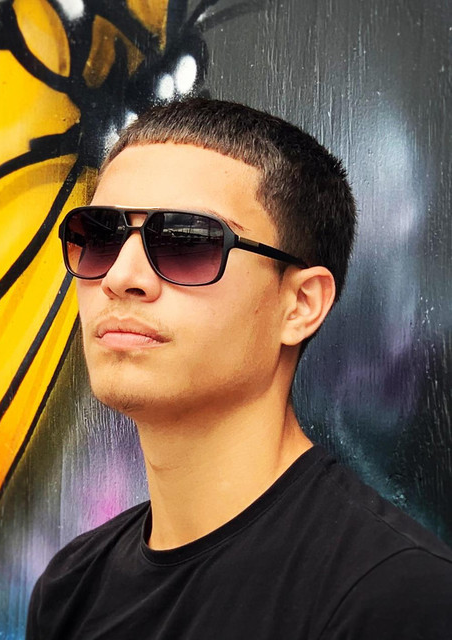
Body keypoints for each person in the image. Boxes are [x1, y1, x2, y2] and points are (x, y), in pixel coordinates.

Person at [26, 99, 452, 639]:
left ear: (300, 305)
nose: (120, 277)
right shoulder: (71, 587)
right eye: (99, 236)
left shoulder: (396, 597)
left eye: (185, 241)